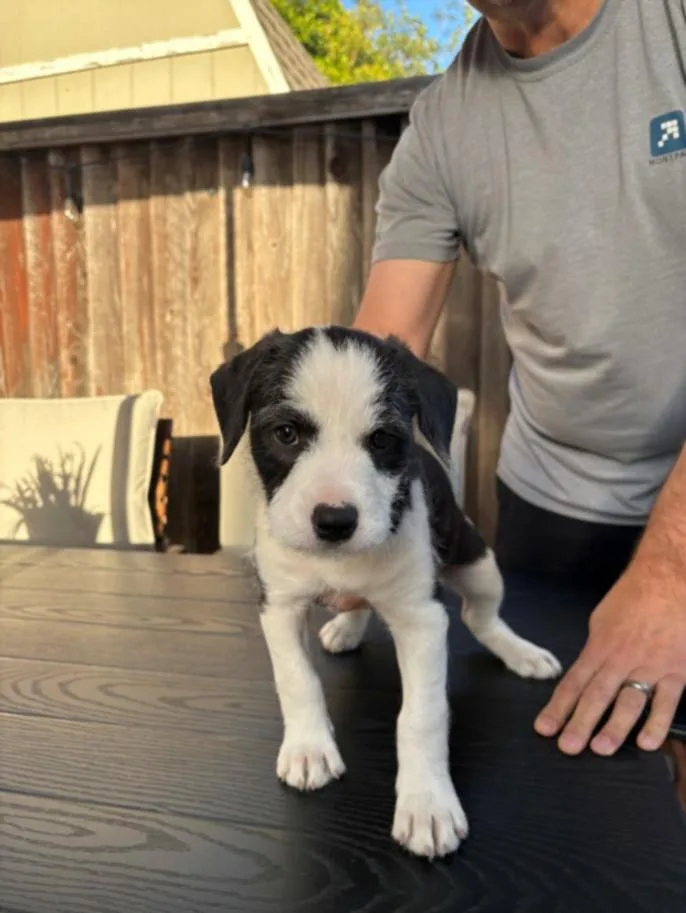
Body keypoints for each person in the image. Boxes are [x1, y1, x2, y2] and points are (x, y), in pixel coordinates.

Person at [338, 0, 686, 759]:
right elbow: (382, 353)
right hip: (550, 504)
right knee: (560, 784)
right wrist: (349, 500)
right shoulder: (443, 127)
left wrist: (673, 569)